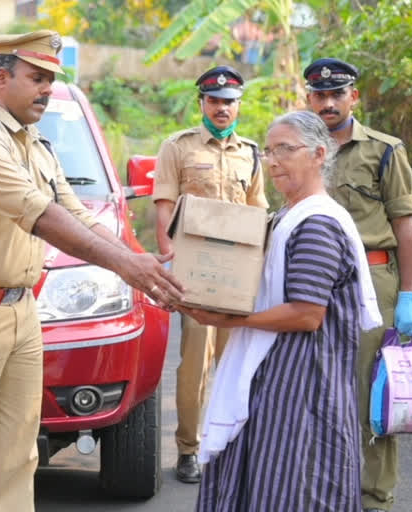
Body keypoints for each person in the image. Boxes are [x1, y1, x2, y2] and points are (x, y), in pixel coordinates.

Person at [0, 30, 183, 512]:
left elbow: (78, 214)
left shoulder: (35, 145)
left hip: (20, 312)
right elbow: (43, 217)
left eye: (51, 79)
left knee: (18, 454)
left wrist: (143, 261)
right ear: (2, 78)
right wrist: (129, 268)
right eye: (38, 78)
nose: (47, 89)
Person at [180, 110, 382, 511]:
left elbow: (307, 314)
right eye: (269, 151)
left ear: (318, 154)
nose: (272, 161)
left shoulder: (317, 224)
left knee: (295, 483)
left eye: (285, 150)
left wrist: (229, 320)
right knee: (267, 478)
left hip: (304, 381)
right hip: (279, 373)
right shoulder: (289, 215)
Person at [304, 57, 412, 512]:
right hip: (312, 283)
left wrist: (408, 295)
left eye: (338, 94)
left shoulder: (384, 150)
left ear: (354, 96)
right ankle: (325, 490)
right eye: (320, 95)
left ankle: (374, 498)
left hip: (371, 282)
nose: (329, 103)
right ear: (308, 98)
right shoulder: (299, 148)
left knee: (372, 394)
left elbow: (404, 227)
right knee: (315, 388)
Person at [151, 65, 269, 483]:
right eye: (215, 101)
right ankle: (188, 449)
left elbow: (259, 212)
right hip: (195, 274)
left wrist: (263, 268)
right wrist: (169, 260)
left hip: (237, 274)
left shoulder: (251, 152)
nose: (222, 108)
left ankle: (234, 445)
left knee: (236, 363)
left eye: (229, 102)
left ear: (239, 105)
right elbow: (164, 204)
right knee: (194, 367)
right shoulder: (178, 147)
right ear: (201, 102)